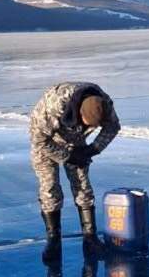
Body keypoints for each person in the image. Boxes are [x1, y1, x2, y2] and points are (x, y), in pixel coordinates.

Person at [29, 82, 120, 263]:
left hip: (76, 139)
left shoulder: (104, 105)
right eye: (87, 124)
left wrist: (91, 150)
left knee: (82, 186)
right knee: (49, 188)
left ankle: (90, 239)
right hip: (47, 140)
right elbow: (38, 139)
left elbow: (113, 128)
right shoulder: (56, 105)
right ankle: (53, 241)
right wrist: (67, 156)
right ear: (79, 113)